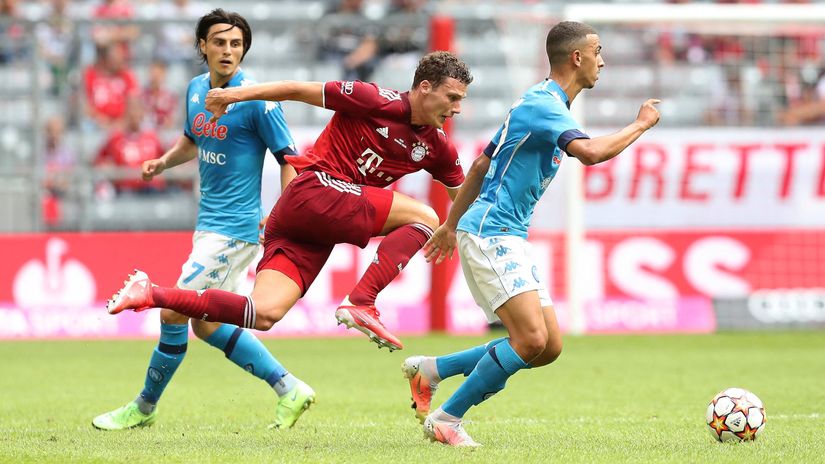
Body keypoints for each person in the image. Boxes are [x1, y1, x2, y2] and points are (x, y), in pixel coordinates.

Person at [105, 50, 473, 353]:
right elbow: (297, 89)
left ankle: (150, 292)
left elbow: (462, 196)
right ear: (425, 87)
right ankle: (363, 301)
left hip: (308, 222)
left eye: (461, 100)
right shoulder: (373, 99)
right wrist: (232, 95)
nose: (456, 108)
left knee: (263, 313)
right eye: (452, 97)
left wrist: (454, 228)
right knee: (424, 215)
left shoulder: (439, 148)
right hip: (315, 189)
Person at [402, 21, 661, 447]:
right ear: (576, 57)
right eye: (598, 50)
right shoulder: (543, 106)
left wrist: (450, 225)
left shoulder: (543, 103)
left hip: (504, 234)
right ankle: (448, 418)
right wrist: (641, 124)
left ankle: (432, 369)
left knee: (548, 347)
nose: (603, 60)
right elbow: (592, 153)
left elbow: (483, 165)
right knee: (530, 339)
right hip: (491, 233)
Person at [92, 9, 313, 431]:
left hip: (236, 230)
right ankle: (289, 388)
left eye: (235, 44)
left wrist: (281, 218)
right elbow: (193, 139)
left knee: (172, 312)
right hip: (208, 224)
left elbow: (291, 161)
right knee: (207, 325)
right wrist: (163, 161)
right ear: (203, 47)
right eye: (219, 42)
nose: (228, 51)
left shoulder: (259, 100)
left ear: (244, 49)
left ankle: (143, 407)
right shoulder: (196, 89)